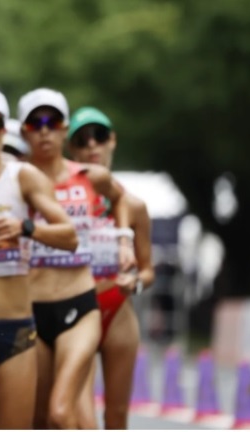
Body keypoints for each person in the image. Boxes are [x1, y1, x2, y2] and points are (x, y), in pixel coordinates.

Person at [0, 86, 77, 429]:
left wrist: (26, 228)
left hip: (18, 327)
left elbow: (70, 237)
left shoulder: (23, 176)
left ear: (5, 128)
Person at [17, 88, 136, 429]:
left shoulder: (88, 176)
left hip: (80, 305)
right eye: (35, 122)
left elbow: (122, 199)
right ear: (24, 129)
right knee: (39, 418)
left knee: (61, 411)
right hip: (30, 308)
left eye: (52, 122)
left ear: (63, 129)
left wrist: (124, 240)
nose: (44, 130)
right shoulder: (16, 178)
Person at [68, 107, 155, 429]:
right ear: (72, 149)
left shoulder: (133, 206)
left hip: (118, 310)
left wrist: (135, 282)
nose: (92, 145)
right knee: (78, 416)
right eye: (82, 140)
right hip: (75, 307)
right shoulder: (65, 200)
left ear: (112, 141)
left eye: (99, 137)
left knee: (117, 416)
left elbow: (148, 270)